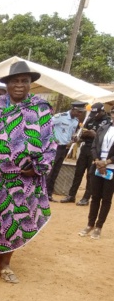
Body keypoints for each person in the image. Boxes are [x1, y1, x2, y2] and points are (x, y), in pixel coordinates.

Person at [0, 61, 55, 283]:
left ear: (30, 84)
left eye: (25, 81)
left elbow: (49, 142)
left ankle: (4, 265)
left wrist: (37, 168)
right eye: (15, 81)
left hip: (23, 178)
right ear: (7, 83)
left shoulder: (40, 108)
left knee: (15, 219)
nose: (20, 85)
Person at [62, 102, 110, 205]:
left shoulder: (108, 122)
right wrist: (80, 135)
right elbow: (82, 134)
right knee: (78, 172)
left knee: (90, 175)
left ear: (102, 111)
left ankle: (86, 198)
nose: (94, 116)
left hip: (97, 151)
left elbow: (106, 139)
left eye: (96, 113)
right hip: (85, 148)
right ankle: (71, 195)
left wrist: (95, 134)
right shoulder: (90, 119)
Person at [79, 110, 114, 239]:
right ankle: (90, 224)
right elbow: (94, 146)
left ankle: (99, 227)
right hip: (98, 166)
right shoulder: (103, 128)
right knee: (95, 197)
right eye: (113, 113)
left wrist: (108, 162)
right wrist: (97, 161)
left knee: (106, 199)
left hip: (111, 169)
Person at [46, 101, 86, 201]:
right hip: (54, 147)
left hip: (64, 148)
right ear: (73, 109)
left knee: (56, 171)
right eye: (78, 112)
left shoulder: (75, 121)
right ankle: (43, 193)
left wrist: (74, 139)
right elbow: (46, 126)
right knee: (50, 171)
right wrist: (52, 138)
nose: (80, 114)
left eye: (81, 112)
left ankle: (49, 194)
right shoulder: (60, 116)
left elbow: (71, 134)